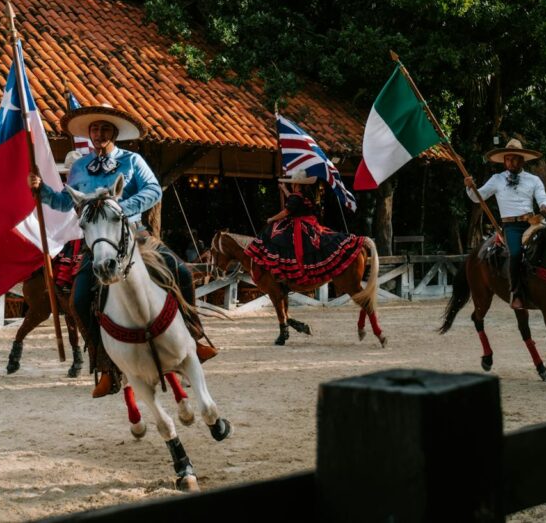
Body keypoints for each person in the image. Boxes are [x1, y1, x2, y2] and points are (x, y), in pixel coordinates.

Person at [29, 104, 216, 398]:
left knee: (180, 271)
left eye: (105, 129)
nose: (99, 133)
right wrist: (41, 191)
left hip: (134, 235)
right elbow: (67, 203)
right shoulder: (79, 167)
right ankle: (105, 366)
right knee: (78, 300)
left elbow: (153, 190)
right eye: (94, 129)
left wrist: (119, 209)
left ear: (114, 133)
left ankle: (194, 336)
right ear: (89, 134)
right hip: (99, 243)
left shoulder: (133, 160)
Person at [464, 139, 546, 310]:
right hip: (511, 227)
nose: (511, 163)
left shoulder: (534, 180)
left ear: (522, 160)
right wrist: (470, 187)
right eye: (508, 159)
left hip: (533, 222)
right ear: (504, 161)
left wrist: (544, 206)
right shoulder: (496, 179)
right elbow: (477, 197)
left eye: (515, 159)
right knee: (516, 253)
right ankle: (516, 293)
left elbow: (543, 197)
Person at [244, 169, 365, 286]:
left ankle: (283, 273)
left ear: (295, 183)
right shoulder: (303, 195)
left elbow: (287, 211)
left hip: (299, 226)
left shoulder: (295, 197)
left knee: (276, 240)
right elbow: (292, 199)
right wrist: (284, 189)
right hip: (309, 224)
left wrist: (272, 219)